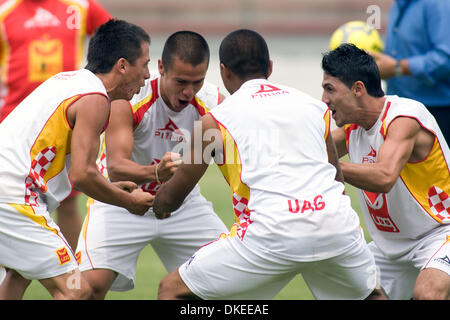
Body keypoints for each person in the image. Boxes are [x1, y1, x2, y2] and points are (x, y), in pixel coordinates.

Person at [153, 29, 385, 300]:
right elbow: (336, 179)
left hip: (268, 235)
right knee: (371, 296)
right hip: (335, 225)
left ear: (224, 71)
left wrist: (155, 205)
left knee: (171, 291)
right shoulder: (314, 107)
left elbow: (173, 196)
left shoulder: (213, 122)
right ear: (271, 67)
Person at [0, 19, 154, 300]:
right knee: (77, 291)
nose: (146, 75)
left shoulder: (68, 80)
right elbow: (82, 175)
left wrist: (113, 189)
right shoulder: (95, 99)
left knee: (18, 276)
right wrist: (128, 202)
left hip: (9, 195)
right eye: (144, 64)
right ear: (122, 65)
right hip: (14, 198)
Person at [75, 31, 228, 299]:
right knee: (85, 289)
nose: (188, 92)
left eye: (197, 82)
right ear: (160, 68)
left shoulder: (214, 104)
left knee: (228, 280)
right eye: (180, 81)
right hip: (121, 200)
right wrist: (156, 173)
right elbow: (116, 167)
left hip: (183, 205)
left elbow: (235, 164)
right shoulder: (131, 96)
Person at [323, 43, 450, 300]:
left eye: (329, 89)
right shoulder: (353, 127)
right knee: (339, 285)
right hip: (391, 250)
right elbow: (312, 148)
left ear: (358, 89)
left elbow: (384, 177)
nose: (324, 99)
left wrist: (327, 168)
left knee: (428, 294)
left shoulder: (404, 118)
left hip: (440, 233)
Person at [0, 0, 112, 251]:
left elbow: (115, 38)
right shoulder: (4, 10)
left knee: (67, 200)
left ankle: (69, 271)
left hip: (62, 122)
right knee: (6, 196)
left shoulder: (81, 6)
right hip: (12, 120)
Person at [370, 0, 450, 144]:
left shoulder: (438, 4)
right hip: (400, 109)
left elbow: (445, 59)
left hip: (437, 111)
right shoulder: (399, 4)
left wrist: (397, 68)